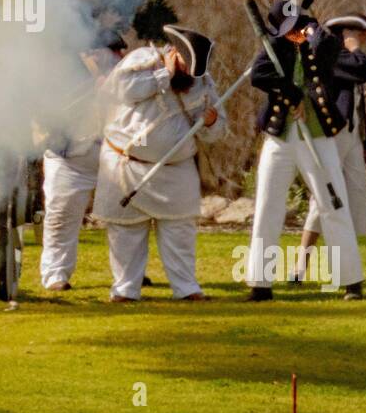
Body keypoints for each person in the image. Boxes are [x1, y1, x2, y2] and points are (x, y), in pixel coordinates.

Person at [92, 25, 227, 302]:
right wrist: (163, 74)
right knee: (126, 233)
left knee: (180, 233)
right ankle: (125, 290)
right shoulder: (142, 60)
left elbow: (218, 131)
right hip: (127, 163)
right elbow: (121, 90)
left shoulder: (203, 83)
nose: (189, 73)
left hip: (176, 168)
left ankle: (186, 288)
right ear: (174, 52)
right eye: (184, 65)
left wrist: (212, 122)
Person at [245, 0, 364, 301]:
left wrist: (312, 28)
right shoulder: (275, 48)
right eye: (289, 27)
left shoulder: (320, 42)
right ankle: (260, 283)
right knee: (267, 206)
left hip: (317, 134)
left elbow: (336, 58)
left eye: (298, 24)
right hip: (280, 136)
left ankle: (351, 280)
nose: (295, 31)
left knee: (333, 203)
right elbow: (259, 75)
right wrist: (292, 94)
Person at [292, 13, 366, 281]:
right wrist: (352, 46)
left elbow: (358, 99)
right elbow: (365, 69)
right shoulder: (333, 56)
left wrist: (364, 141)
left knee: (356, 202)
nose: (365, 37)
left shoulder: (349, 58)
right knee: (322, 200)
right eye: (360, 32)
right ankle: (300, 266)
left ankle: (344, 267)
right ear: (346, 33)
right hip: (333, 132)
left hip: (351, 136)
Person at [38, 34, 126, 291]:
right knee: (61, 217)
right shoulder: (62, 73)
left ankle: (128, 276)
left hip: (113, 157)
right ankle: (56, 275)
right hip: (69, 158)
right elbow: (52, 111)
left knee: (125, 219)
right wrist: (91, 89)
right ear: (95, 53)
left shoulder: (125, 77)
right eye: (114, 51)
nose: (120, 57)